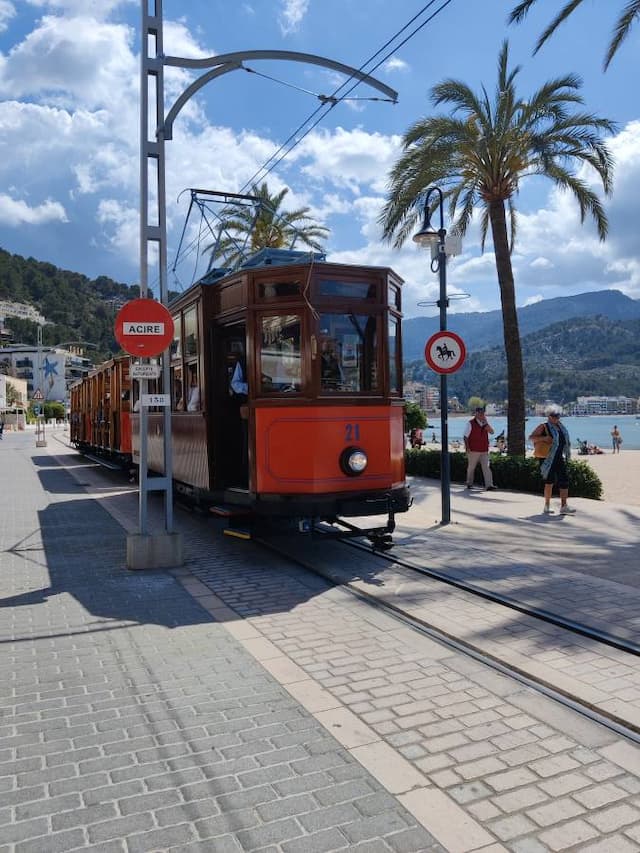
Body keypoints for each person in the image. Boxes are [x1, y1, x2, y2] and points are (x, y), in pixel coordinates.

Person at [529, 405, 575, 515]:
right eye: (554, 416)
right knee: (549, 482)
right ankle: (547, 505)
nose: (556, 418)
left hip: (559, 457)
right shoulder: (543, 426)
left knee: (564, 481)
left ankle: (564, 506)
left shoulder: (560, 427)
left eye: (558, 415)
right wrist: (544, 438)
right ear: (549, 416)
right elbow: (531, 437)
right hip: (547, 458)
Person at [463, 406, 496, 491]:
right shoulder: (470, 423)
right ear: (476, 414)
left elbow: (492, 432)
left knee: (486, 467)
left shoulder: (485, 423)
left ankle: (489, 485)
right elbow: (465, 437)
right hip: (473, 450)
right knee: (471, 467)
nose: (482, 415)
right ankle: (469, 483)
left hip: (484, 449)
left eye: (483, 413)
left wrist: (486, 424)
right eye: (480, 413)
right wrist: (467, 448)